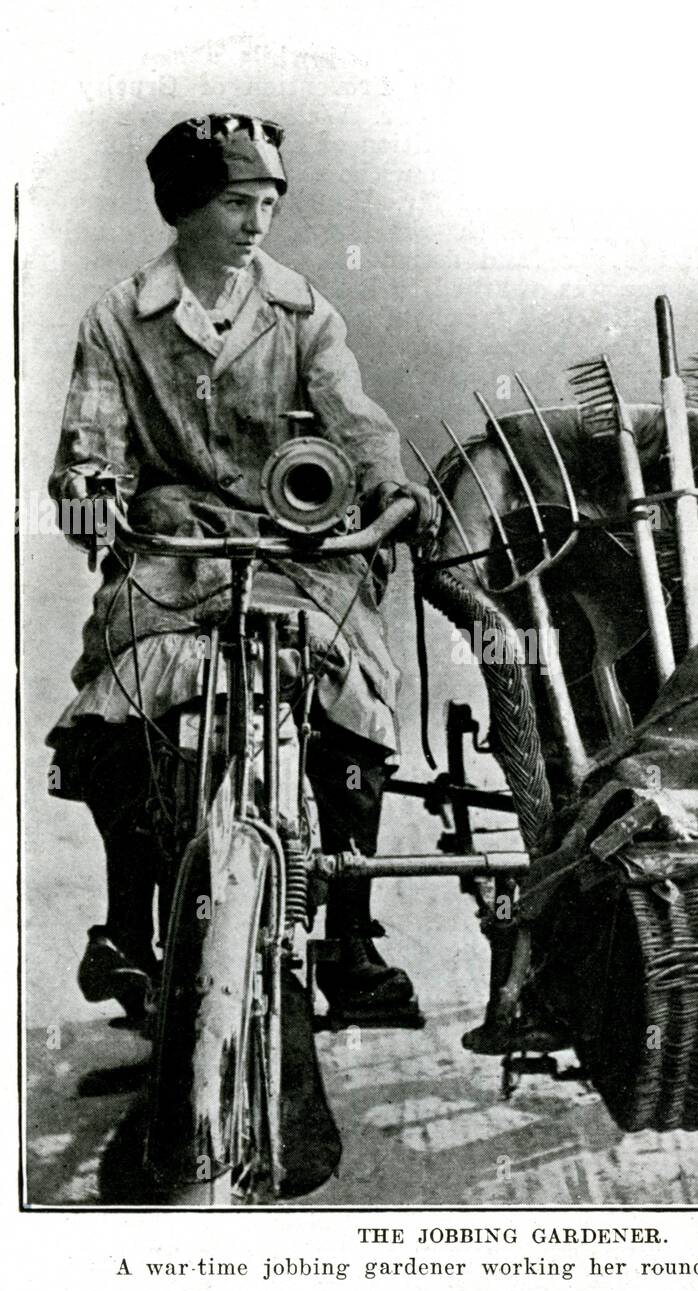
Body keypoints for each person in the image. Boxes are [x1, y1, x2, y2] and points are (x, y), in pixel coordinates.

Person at [47, 113, 436, 1026]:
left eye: (267, 202)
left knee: (352, 695)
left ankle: (348, 934)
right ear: (184, 209)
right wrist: (89, 489)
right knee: (123, 703)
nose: (256, 221)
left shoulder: (303, 312)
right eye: (235, 202)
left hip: (295, 542)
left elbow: (353, 415)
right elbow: (92, 439)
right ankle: (127, 931)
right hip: (172, 549)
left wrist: (386, 487)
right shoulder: (118, 318)